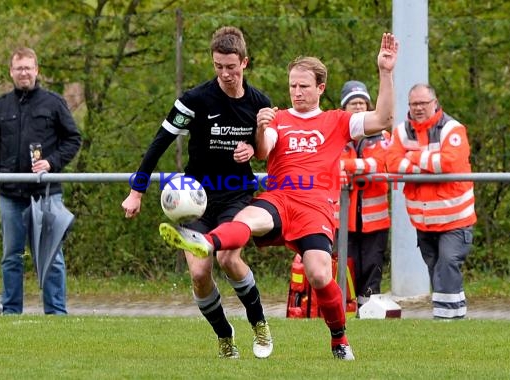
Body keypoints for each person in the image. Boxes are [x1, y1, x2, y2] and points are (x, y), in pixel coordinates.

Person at [160, 32, 399, 360]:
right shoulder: (278, 118)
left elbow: (384, 119)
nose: (297, 92)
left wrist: (385, 72)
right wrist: (260, 128)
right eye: (292, 86)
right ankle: (207, 243)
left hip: (315, 207)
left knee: (318, 274)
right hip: (281, 198)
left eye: (303, 86)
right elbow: (263, 150)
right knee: (247, 218)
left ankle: (339, 338)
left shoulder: (338, 121)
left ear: (320, 88)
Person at [121, 26, 273, 359]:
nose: (225, 74)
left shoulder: (260, 102)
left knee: (228, 257)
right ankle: (224, 334)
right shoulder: (194, 100)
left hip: (236, 193)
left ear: (244, 62)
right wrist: (137, 190)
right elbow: (159, 142)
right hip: (196, 198)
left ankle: (259, 322)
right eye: (218, 66)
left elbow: (266, 152)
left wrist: (252, 149)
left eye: (231, 67)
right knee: (200, 272)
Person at [0, 47, 82, 315]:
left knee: (52, 257)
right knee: (12, 257)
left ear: (37, 70)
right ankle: (11, 311)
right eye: (19, 68)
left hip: (47, 194)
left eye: (28, 67)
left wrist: (52, 162)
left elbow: (73, 139)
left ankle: (56, 313)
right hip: (11, 196)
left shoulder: (54, 103)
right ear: (11, 72)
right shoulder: (0, 106)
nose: (24, 72)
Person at [385, 83, 476, 319]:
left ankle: (445, 318)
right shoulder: (402, 131)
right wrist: (427, 166)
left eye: (423, 103)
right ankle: (454, 315)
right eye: (414, 104)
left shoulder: (452, 129)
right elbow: (392, 164)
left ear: (434, 103)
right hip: (423, 221)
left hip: (456, 218)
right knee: (436, 268)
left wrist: (413, 157)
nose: (418, 108)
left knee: (447, 264)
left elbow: (448, 164)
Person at [337, 81, 391, 312]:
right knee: (347, 267)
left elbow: (378, 164)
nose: (358, 107)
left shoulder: (382, 136)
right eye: (353, 103)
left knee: (372, 267)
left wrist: (346, 165)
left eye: (362, 103)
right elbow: (326, 166)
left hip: (374, 221)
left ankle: (369, 312)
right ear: (344, 109)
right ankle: (347, 310)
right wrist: (352, 167)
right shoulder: (336, 136)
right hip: (342, 220)